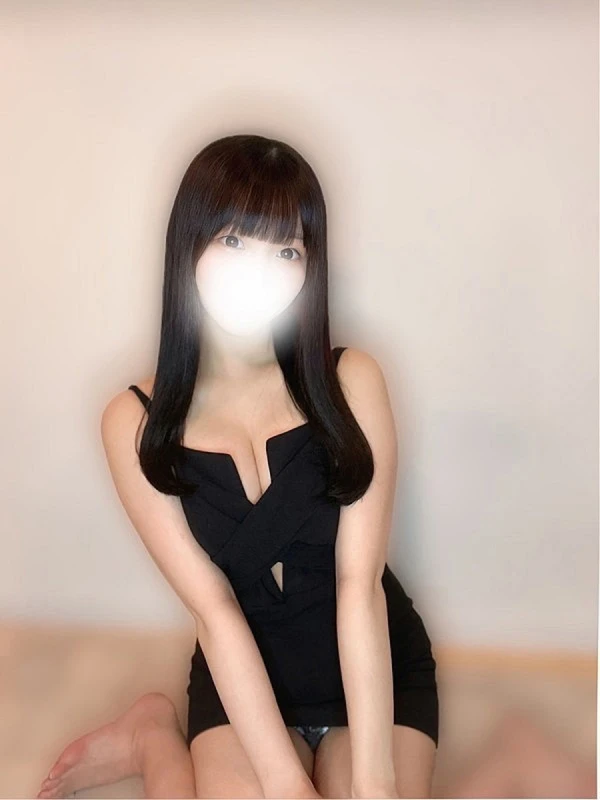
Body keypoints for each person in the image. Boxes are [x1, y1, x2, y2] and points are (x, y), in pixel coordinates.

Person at [37, 133, 439, 799]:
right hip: (242, 676)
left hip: (373, 669)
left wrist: (375, 783)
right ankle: (152, 736)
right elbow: (215, 609)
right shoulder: (133, 421)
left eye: (287, 251)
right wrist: (286, 785)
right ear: (190, 245)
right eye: (234, 240)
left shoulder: (354, 380)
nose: (263, 271)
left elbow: (358, 585)